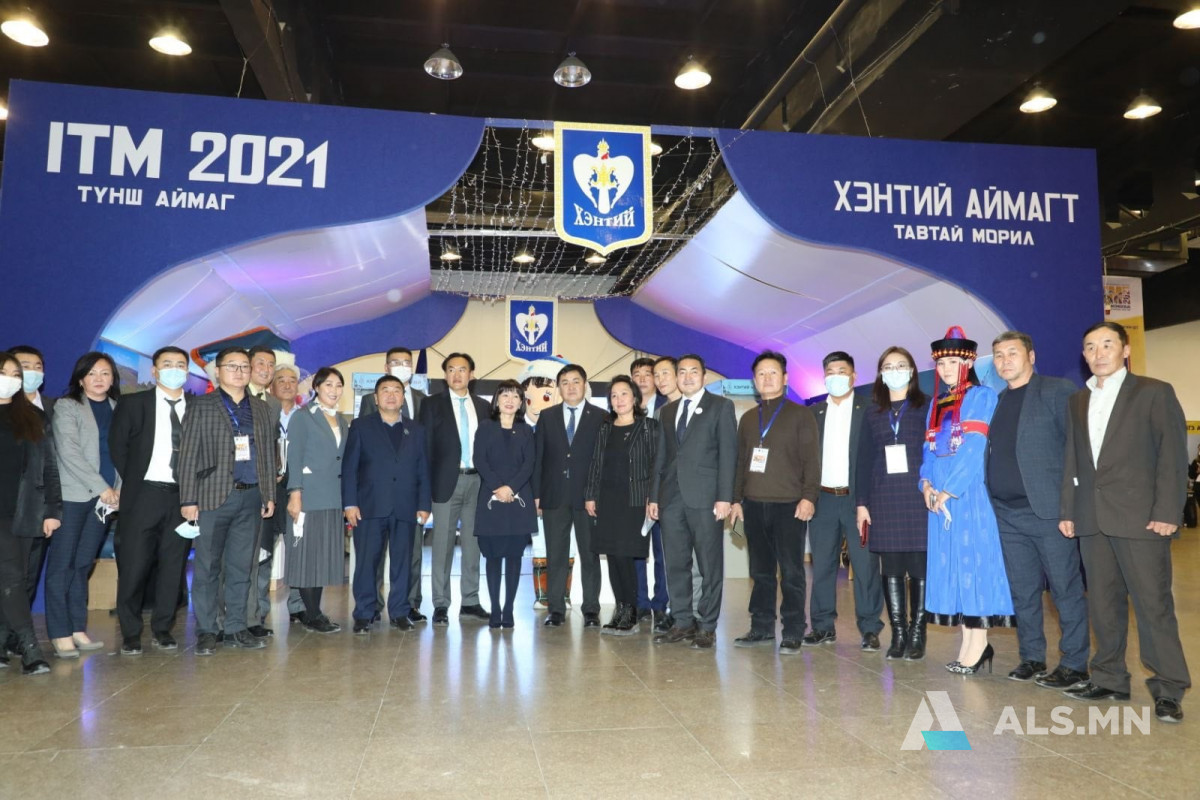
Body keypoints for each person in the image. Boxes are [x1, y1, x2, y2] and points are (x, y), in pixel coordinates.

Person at [1059, 321, 1190, 723]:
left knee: (1153, 605)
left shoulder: (1153, 392)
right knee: (1102, 602)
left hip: (1142, 519)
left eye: (1107, 344)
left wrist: (1168, 512)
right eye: (1090, 347)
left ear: (1125, 350)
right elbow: (1073, 460)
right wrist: (1069, 510)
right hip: (1092, 518)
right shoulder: (1078, 400)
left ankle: (1169, 687)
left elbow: (1172, 455)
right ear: (1084, 355)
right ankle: (1109, 677)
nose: (1098, 353)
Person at [987, 331, 1089, 688]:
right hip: (1007, 514)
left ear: (1031, 356)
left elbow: (1077, 449)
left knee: (1065, 590)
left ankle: (1074, 663)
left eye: (1012, 353)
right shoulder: (998, 400)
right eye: (998, 355)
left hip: (1049, 513)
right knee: (1024, 591)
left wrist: (1071, 507)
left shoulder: (1057, 391)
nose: (1005, 361)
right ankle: (1031, 657)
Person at [919, 326, 1014, 675]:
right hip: (939, 497)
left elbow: (974, 448)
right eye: (942, 364)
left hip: (969, 493)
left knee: (974, 563)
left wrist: (949, 489)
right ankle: (968, 643)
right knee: (953, 567)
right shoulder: (936, 403)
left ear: (969, 362)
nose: (946, 369)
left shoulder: (981, 396)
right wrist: (926, 484)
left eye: (954, 362)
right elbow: (928, 450)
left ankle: (980, 642)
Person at [177, 346, 277, 655]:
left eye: (245, 366)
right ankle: (208, 630)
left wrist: (269, 494)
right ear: (218, 371)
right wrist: (188, 499)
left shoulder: (261, 408)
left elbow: (268, 454)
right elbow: (188, 454)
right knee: (207, 567)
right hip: (211, 497)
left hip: (251, 496)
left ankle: (236, 627)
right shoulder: (201, 405)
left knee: (241, 567)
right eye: (232, 366)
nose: (239, 372)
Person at [729, 351, 819, 654]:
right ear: (754, 381)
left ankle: (793, 629)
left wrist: (808, 497)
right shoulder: (748, 419)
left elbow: (811, 461)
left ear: (785, 378)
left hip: (789, 505)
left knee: (792, 572)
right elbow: (740, 462)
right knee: (760, 572)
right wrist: (736, 499)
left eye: (773, 373)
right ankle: (762, 626)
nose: (767, 378)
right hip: (753, 505)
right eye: (761, 374)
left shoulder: (800, 415)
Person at [108, 346, 193, 654]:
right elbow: (118, 447)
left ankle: (163, 628)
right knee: (134, 565)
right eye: (167, 364)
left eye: (180, 364)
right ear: (155, 371)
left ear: (187, 371)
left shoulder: (198, 407)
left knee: (173, 566)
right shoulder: (134, 403)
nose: (174, 369)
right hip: (143, 494)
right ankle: (131, 632)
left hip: (183, 497)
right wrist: (134, 482)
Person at [650, 354, 737, 649]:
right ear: (676, 377)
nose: (687, 377)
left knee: (710, 565)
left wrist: (725, 497)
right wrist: (654, 497)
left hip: (706, 499)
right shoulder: (667, 411)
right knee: (676, 563)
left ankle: (707, 625)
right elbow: (660, 458)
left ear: (704, 376)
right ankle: (683, 621)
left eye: (694, 372)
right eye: (682, 372)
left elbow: (728, 455)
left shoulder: (721, 406)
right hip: (671, 499)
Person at [856, 346, 931, 660]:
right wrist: (862, 503)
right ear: (881, 374)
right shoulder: (872, 412)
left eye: (901, 365)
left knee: (919, 567)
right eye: (888, 366)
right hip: (884, 496)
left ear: (912, 371)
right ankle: (898, 633)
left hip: (918, 495)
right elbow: (864, 459)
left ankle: (918, 632)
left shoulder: (927, 406)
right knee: (892, 569)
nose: (895, 370)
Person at [46, 351, 121, 659]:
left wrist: (117, 490)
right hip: (75, 495)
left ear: (113, 378)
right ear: (80, 379)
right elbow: (69, 452)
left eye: (105, 373)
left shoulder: (118, 408)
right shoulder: (67, 406)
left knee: (83, 563)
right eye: (92, 373)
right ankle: (59, 632)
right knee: (62, 565)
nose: (99, 378)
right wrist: (102, 487)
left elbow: (124, 453)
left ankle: (77, 627)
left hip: (106, 499)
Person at [807, 351, 884, 650]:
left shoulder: (870, 410)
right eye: (830, 372)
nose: (836, 377)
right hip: (823, 500)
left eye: (842, 371)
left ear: (853, 376)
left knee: (865, 565)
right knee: (822, 565)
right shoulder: (813, 413)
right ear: (824, 377)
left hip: (858, 500)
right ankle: (822, 626)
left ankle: (870, 628)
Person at [344, 375, 431, 632]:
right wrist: (350, 504)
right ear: (375, 397)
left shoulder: (416, 430)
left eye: (396, 391)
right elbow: (349, 468)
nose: (391, 395)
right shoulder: (361, 426)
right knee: (366, 563)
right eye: (385, 390)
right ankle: (364, 613)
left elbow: (423, 469)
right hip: (369, 506)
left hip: (406, 506)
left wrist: (424, 504)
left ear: (403, 398)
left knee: (403, 562)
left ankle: (400, 612)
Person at [418, 353, 490, 625]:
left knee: (473, 545)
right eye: (451, 369)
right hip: (445, 482)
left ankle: (470, 601)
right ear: (445, 374)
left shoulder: (483, 406)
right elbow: (425, 450)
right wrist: (424, 490)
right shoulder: (431, 404)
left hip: (477, 482)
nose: (457, 374)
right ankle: (440, 603)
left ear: (472, 374)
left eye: (462, 369)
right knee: (442, 546)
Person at [585, 375, 661, 635]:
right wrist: (590, 495)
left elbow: (657, 465)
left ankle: (631, 611)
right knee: (612, 555)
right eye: (614, 395)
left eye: (624, 394)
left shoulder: (649, 427)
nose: (619, 400)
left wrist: (653, 496)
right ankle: (620, 608)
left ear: (635, 398)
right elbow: (595, 464)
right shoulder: (605, 428)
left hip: (636, 501)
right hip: (607, 501)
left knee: (626, 556)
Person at [533, 363, 604, 628]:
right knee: (556, 555)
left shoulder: (601, 417)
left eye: (576, 381)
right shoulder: (547, 416)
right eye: (565, 382)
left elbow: (603, 461)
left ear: (585, 385)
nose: (571, 387)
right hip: (554, 496)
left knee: (590, 555)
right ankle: (556, 609)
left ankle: (591, 609)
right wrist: (537, 494)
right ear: (558, 388)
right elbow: (539, 458)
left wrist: (597, 494)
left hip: (589, 498)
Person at [0, 351, 58, 674]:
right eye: (3, 373)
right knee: (11, 575)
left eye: (14, 375)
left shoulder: (33, 418)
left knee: (16, 578)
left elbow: (49, 469)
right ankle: (30, 647)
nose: (9, 380)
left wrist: (52, 510)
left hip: (23, 511)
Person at [284, 367, 349, 633]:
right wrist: (295, 494)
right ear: (317, 388)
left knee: (322, 557)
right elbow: (294, 457)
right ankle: (312, 614)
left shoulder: (341, 420)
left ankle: (313, 611)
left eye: (338, 385)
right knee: (306, 557)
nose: (334, 390)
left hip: (333, 497)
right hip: (308, 496)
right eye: (328, 385)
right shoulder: (303, 417)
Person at [473, 380, 536, 629]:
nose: (510, 400)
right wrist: (498, 487)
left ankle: (508, 609)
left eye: (515, 396)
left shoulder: (526, 430)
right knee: (492, 557)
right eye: (505, 395)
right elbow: (480, 459)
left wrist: (511, 488)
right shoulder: (485, 427)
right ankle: (495, 608)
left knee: (514, 557)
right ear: (497, 400)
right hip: (491, 500)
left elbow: (529, 464)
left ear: (521, 403)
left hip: (518, 502)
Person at [518, 359, 568, 610]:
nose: (537, 405)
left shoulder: (566, 425)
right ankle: (542, 595)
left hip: (562, 495)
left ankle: (563, 594)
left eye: (546, 396)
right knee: (539, 544)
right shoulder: (520, 429)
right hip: (531, 495)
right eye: (529, 398)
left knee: (566, 545)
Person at [262, 365, 307, 627]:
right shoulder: (263, 413)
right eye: (282, 380)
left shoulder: (307, 416)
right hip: (269, 489)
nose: (288, 385)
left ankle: (298, 606)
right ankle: (258, 611)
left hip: (298, 489)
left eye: (292, 380)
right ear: (271, 386)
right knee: (264, 550)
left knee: (298, 548)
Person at [242, 346, 280, 638]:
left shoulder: (273, 404)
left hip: (265, 490)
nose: (266, 369)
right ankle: (232, 617)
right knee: (238, 558)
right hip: (235, 489)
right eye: (261, 363)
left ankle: (256, 615)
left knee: (263, 554)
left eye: (271, 364)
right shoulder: (233, 398)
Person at [629, 357, 669, 630]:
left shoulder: (668, 408)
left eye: (648, 373)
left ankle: (661, 604)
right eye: (637, 374)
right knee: (636, 552)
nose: (643, 378)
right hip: (633, 493)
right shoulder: (623, 407)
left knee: (663, 552)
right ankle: (641, 603)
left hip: (663, 491)